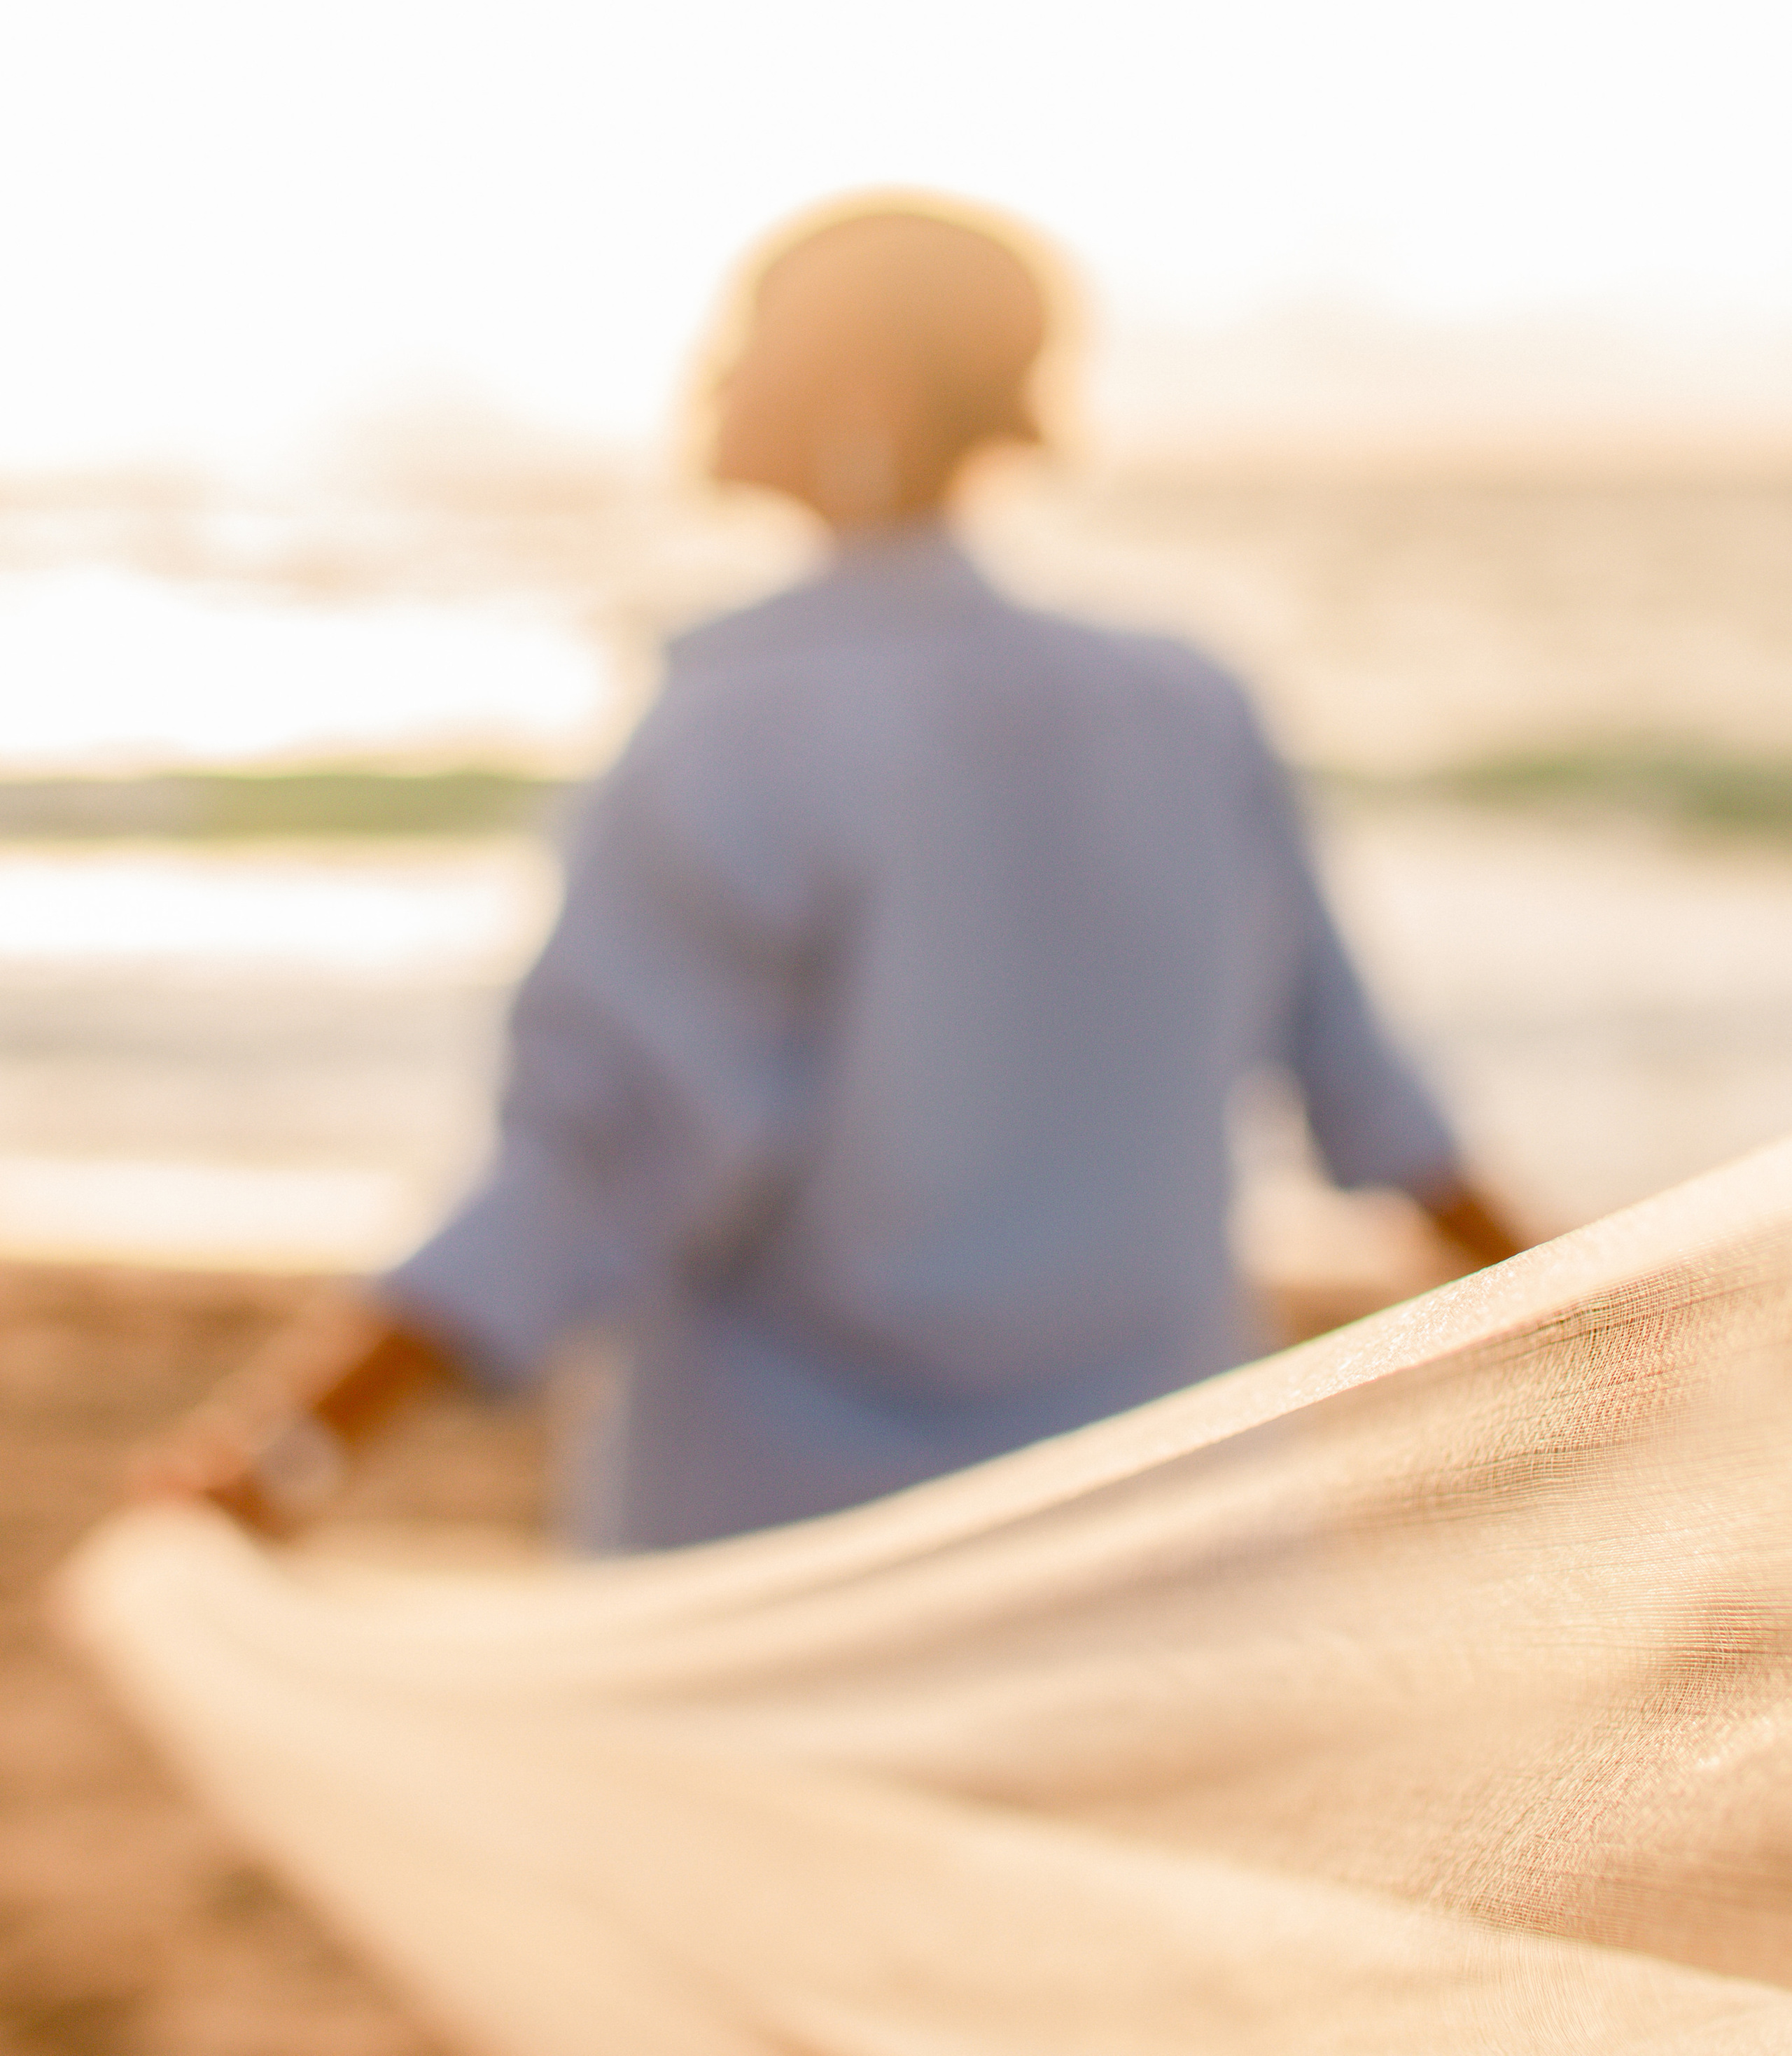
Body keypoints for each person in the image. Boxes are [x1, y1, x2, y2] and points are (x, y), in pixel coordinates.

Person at [136, 192, 1518, 1550]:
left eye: (751, 334)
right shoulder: (1183, 702)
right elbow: (1371, 1102)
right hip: (1153, 1549)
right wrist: (1625, 1336)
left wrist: (286, 1456)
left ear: (864, 386)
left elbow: (594, 1159)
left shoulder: (741, 730)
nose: (713, 371)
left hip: (795, 1559)